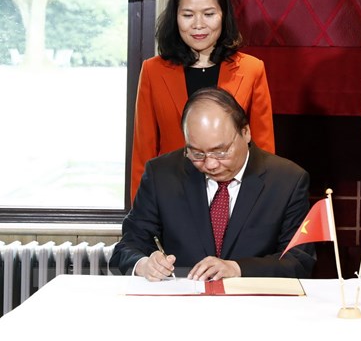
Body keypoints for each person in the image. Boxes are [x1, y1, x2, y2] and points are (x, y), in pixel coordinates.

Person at [111, 87, 314, 280]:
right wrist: (144, 264)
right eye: (197, 154)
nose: (210, 164)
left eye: (220, 152)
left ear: (245, 132)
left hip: (252, 301)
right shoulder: (161, 174)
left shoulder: (288, 181)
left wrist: (237, 268)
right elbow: (126, 248)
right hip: (181, 298)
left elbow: (298, 261)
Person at [130, 0, 275, 202]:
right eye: (188, 15)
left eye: (208, 14)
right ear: (175, 18)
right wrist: (141, 213)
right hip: (172, 196)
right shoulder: (153, 71)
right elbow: (143, 151)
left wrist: (264, 206)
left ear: (223, 15)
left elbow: (264, 152)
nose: (198, 25)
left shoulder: (252, 69)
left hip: (233, 198)